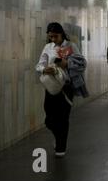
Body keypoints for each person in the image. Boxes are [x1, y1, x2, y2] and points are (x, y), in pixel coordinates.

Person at [36, 22, 87, 158]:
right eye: (51, 37)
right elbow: (39, 65)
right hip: (51, 86)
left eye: (56, 36)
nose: (54, 39)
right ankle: (58, 136)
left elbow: (82, 64)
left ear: (62, 34)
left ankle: (61, 147)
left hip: (66, 87)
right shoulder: (48, 47)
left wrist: (67, 63)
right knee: (49, 119)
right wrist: (44, 69)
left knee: (63, 118)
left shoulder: (71, 46)